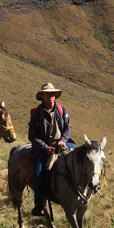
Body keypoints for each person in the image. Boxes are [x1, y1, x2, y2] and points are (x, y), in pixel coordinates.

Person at [28, 82, 72, 216]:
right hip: (44, 148)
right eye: (48, 94)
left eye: (53, 94)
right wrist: (46, 147)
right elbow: (32, 136)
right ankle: (39, 203)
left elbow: (68, 127)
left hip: (62, 143)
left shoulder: (61, 108)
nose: (51, 96)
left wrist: (63, 140)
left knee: (81, 156)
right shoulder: (37, 113)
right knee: (39, 172)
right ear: (42, 96)